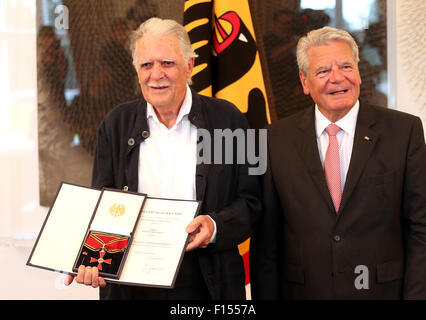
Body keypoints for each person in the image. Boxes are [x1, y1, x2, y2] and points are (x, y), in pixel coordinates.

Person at [64, 17, 261, 300]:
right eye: (146, 65)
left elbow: (252, 203)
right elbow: (103, 205)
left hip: (208, 283)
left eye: (167, 63)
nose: (156, 74)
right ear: (136, 70)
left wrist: (216, 226)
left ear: (190, 65)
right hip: (131, 285)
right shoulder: (115, 124)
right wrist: (92, 259)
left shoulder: (229, 120)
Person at [250, 26, 426, 299]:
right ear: (305, 82)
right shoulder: (274, 140)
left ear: (358, 72)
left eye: (346, 66)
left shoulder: (404, 132)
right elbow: (266, 242)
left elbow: (421, 227)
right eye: (322, 71)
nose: (337, 78)